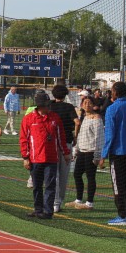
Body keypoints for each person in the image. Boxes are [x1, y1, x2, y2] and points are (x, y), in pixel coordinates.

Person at [20, 91, 69, 219]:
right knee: (37, 186)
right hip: (35, 159)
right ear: (40, 106)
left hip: (51, 158)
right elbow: (24, 139)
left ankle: (48, 211)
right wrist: (25, 157)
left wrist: (65, 153)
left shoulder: (55, 118)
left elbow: (61, 137)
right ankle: (38, 209)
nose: (49, 107)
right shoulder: (28, 119)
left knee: (50, 186)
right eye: (47, 105)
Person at [99, 81, 126, 226]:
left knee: (118, 185)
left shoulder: (112, 108)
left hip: (118, 152)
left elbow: (110, 134)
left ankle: (122, 215)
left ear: (115, 92)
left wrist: (103, 155)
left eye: (112, 90)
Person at [49, 84, 79, 212]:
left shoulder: (49, 106)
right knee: (63, 174)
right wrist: (75, 136)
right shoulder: (69, 107)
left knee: (53, 173)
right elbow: (77, 122)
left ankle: (54, 201)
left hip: (51, 143)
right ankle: (58, 201)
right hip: (66, 141)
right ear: (65, 94)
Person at [71, 95, 103, 209]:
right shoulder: (84, 117)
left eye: (89, 102)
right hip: (82, 151)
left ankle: (89, 203)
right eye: (85, 102)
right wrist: (76, 150)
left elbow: (99, 137)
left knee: (90, 177)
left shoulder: (97, 118)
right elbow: (80, 135)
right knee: (77, 174)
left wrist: (97, 155)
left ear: (93, 105)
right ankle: (78, 199)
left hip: (91, 151)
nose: (87, 104)